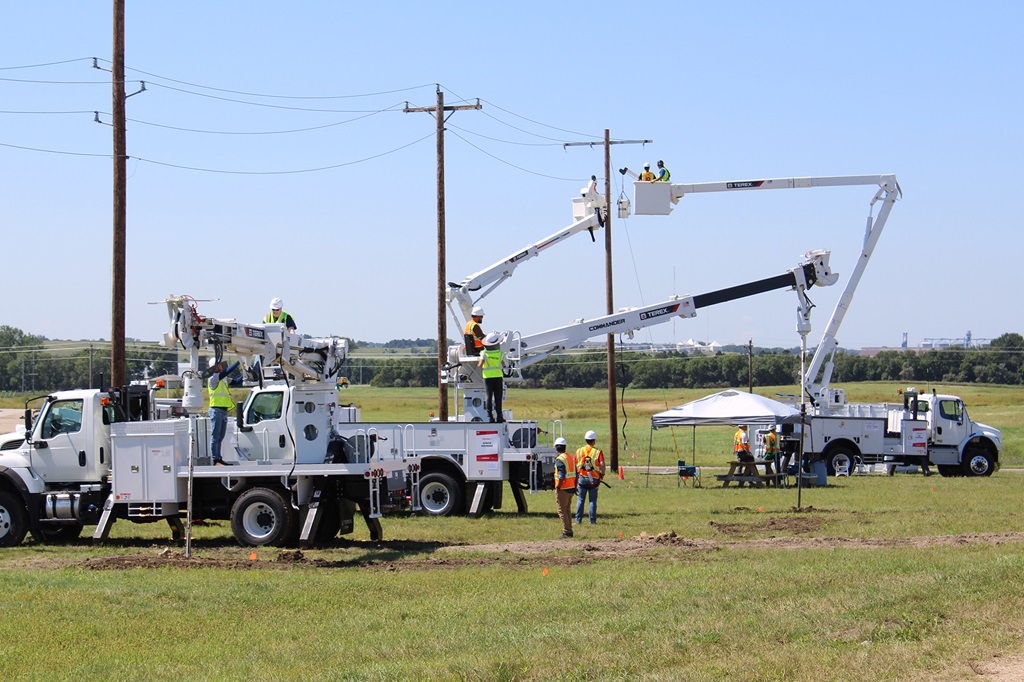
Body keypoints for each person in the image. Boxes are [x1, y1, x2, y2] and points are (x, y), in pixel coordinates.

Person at [207, 359, 242, 465]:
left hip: (223, 410)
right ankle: (216, 458)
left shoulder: (223, 378)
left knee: (220, 436)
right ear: (215, 367)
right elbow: (226, 372)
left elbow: (236, 381)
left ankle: (218, 458)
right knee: (216, 436)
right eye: (219, 365)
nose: (221, 366)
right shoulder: (213, 378)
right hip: (216, 410)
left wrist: (246, 375)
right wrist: (238, 362)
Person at [575, 430, 605, 525]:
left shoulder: (579, 451)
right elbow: (602, 464)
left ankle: (578, 520)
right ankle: (592, 521)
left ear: (586, 440)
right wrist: (602, 474)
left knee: (580, 500)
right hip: (594, 479)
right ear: (594, 440)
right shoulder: (598, 452)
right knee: (592, 500)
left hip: (582, 478)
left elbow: (574, 462)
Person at [478, 332, 505, 423]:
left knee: (489, 397)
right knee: (498, 397)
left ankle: (490, 417)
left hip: (488, 377)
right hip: (498, 376)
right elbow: (503, 364)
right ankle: (499, 417)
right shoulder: (500, 353)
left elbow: (480, 365)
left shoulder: (484, 353)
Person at [553, 437, 576, 538]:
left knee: (562, 511)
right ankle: (569, 530)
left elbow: (562, 475)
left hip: (563, 488)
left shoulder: (560, 460)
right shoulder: (569, 457)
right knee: (567, 510)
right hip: (571, 487)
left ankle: (567, 532)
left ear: (556, 448)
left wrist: (558, 486)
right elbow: (576, 473)